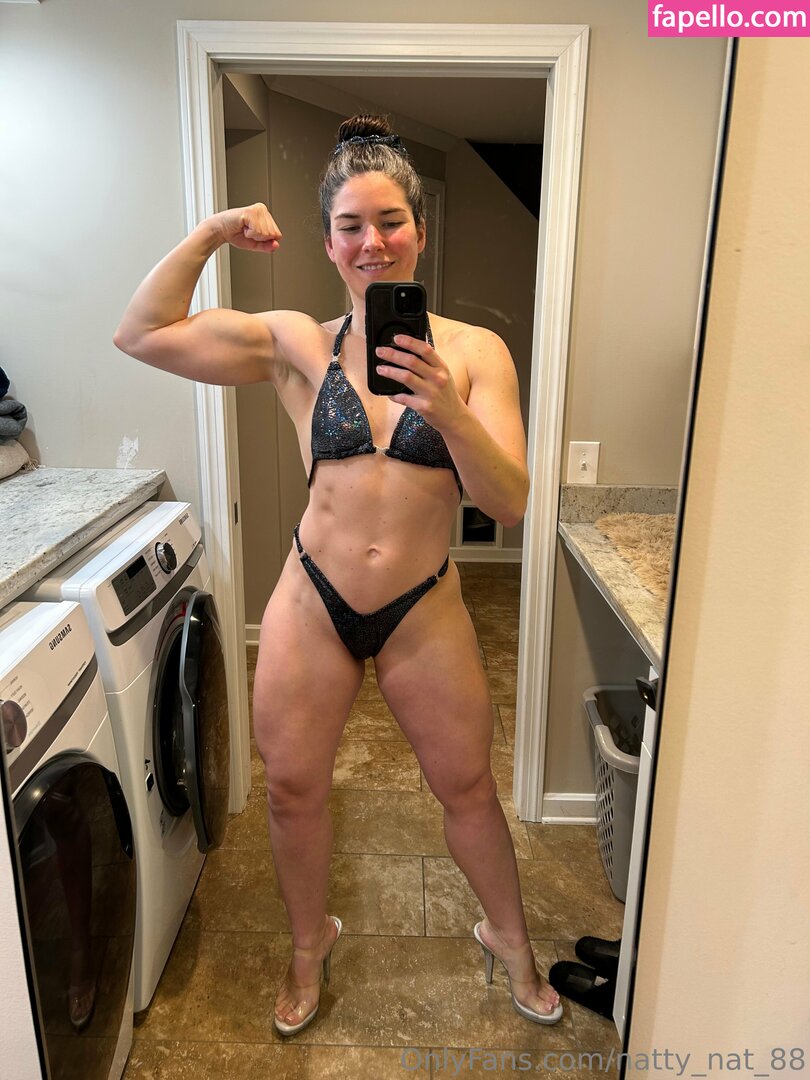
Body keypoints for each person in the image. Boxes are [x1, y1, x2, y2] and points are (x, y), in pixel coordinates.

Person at [114, 114, 562, 1035]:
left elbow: (510, 502)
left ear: (420, 231)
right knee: (291, 789)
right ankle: (307, 944)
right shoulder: (294, 343)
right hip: (311, 600)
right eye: (351, 226)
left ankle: (510, 938)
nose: (373, 243)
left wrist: (450, 411)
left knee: (467, 788)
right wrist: (213, 231)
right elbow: (142, 333)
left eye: (391, 221)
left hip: (423, 604)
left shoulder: (476, 354)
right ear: (327, 243)